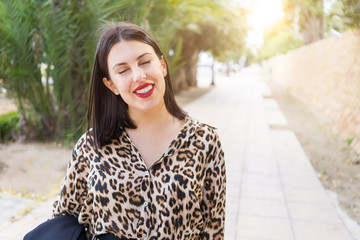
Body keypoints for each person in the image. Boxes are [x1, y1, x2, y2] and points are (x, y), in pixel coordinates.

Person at [52, 22, 226, 240]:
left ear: (162, 65)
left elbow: (213, 229)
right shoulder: (92, 144)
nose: (138, 76)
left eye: (145, 62)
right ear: (111, 85)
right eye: (123, 70)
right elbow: (63, 221)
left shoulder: (205, 141)